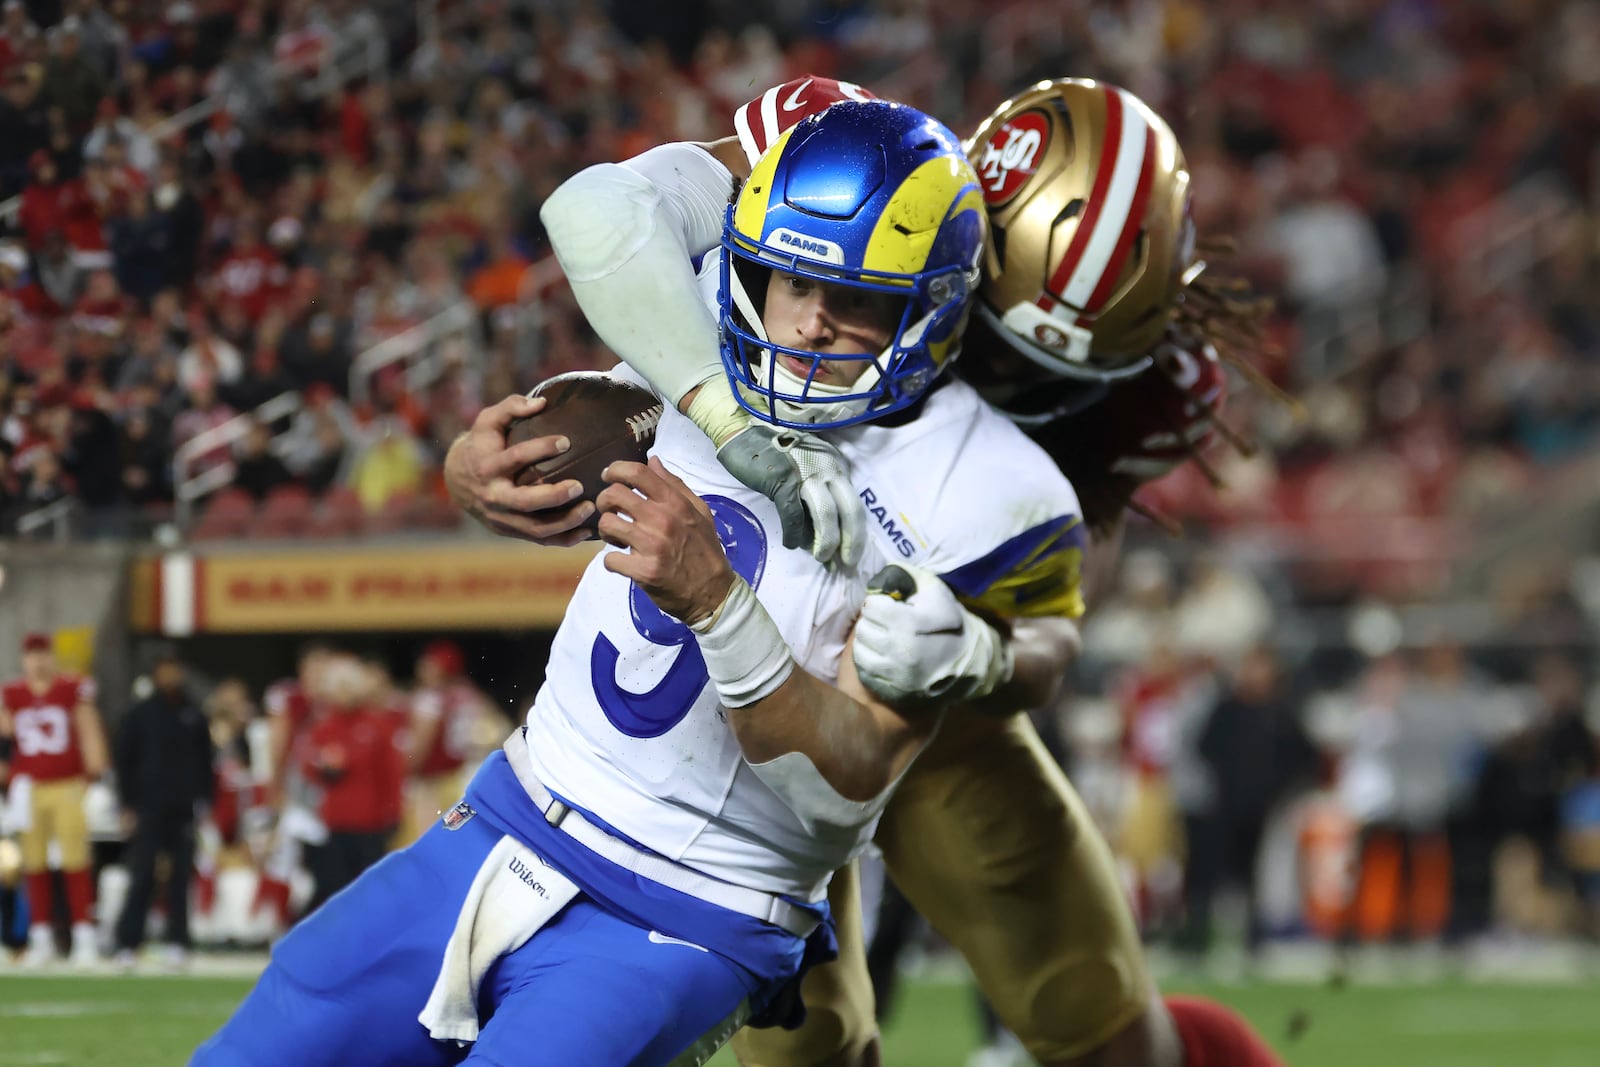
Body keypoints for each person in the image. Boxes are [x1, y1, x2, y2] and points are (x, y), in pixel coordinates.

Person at [195, 100, 1081, 1067]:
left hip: (697, 905)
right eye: (792, 280)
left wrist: (719, 606)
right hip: (505, 813)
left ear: (936, 305)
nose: (810, 323)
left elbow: (846, 788)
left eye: (857, 300)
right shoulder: (703, 334)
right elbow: (595, 326)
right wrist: (472, 470)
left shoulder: (987, 486)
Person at [446, 77, 1287, 1067]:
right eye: (991, 335)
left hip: (923, 690)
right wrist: (610, 409)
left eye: (1043, 377)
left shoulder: (1152, 397)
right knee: (810, 1045)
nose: (999, 380)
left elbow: (1046, 599)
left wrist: (981, 654)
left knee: (1097, 1020)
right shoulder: (858, 164)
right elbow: (651, 240)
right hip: (753, 664)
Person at [0, 630, 108, 965]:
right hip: (28, 788)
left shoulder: (71, 689)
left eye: (42, 653)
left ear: (51, 656)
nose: (37, 661)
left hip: (67, 784)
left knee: (76, 860)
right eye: (32, 654)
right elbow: (4, 737)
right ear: (24, 659)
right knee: (33, 863)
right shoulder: (12, 693)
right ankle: (41, 935)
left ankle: (83, 936)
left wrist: (94, 769)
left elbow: (88, 728)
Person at [113, 648, 214, 968]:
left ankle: (178, 941)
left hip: (183, 808)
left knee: (182, 877)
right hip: (148, 806)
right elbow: (124, 762)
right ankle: (128, 942)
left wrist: (204, 799)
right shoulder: (140, 714)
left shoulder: (193, 713)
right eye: (164, 668)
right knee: (142, 874)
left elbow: (205, 762)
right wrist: (127, 804)